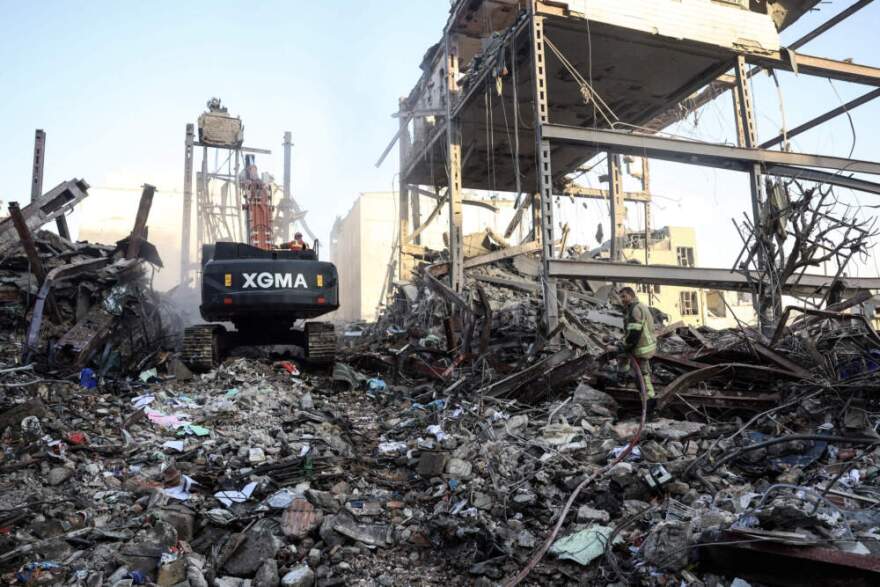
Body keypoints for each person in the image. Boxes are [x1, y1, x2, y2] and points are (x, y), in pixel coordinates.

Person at [615, 286, 657, 410]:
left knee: (643, 376)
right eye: (620, 297)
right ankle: (623, 379)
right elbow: (630, 332)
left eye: (624, 296)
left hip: (642, 347)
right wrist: (623, 343)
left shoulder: (635, 309)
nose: (622, 300)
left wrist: (625, 345)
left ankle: (649, 403)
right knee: (622, 357)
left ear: (631, 295)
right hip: (642, 345)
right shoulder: (634, 307)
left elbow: (634, 333)